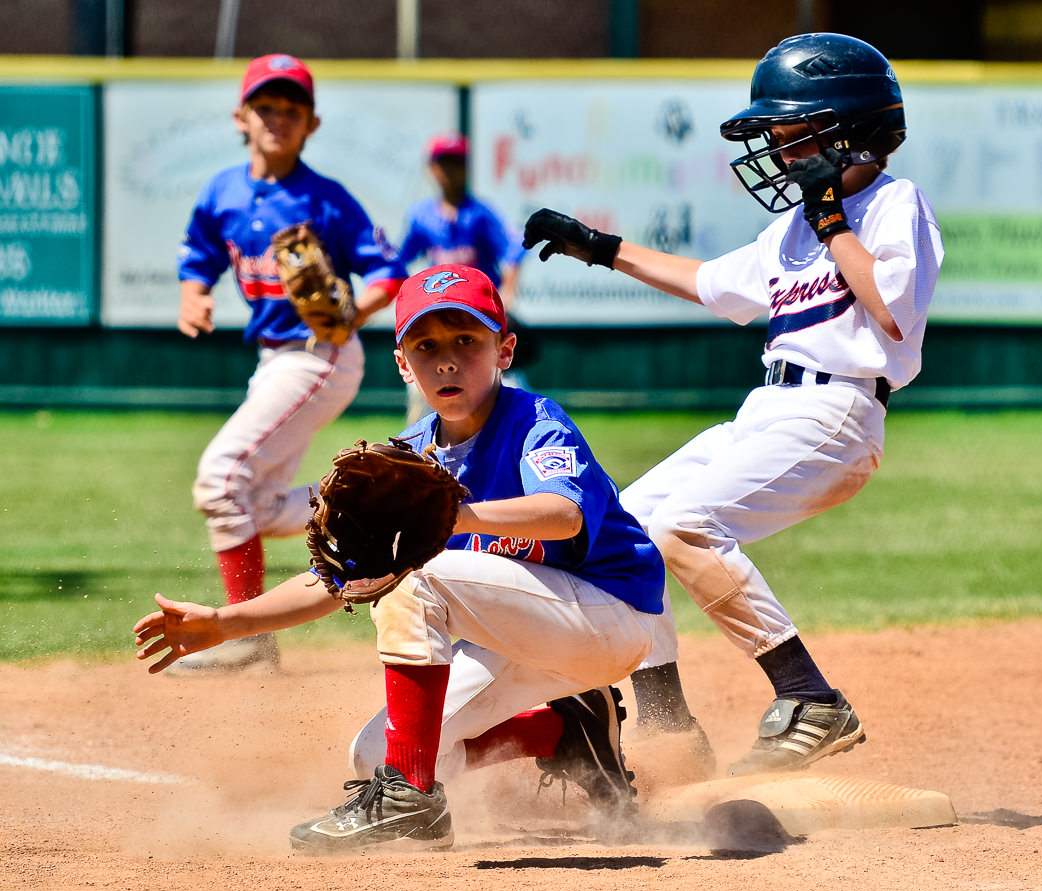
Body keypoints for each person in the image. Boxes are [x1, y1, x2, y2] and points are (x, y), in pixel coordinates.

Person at [134, 264, 666, 854]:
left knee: (420, 577)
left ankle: (411, 803)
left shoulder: (534, 422)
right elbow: (337, 577)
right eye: (426, 344)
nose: (447, 360)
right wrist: (226, 622)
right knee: (371, 756)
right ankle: (566, 729)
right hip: (519, 638)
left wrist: (450, 517)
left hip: (608, 618)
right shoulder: (409, 456)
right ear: (402, 363)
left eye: (467, 340)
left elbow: (563, 514)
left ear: (504, 350)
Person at [523, 33, 944, 776]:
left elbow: (892, 310)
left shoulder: (891, 203)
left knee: (687, 524)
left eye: (790, 132)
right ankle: (666, 722)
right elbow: (712, 283)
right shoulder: (791, 230)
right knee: (621, 531)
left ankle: (810, 697)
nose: (778, 150)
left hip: (839, 415)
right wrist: (601, 247)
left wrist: (832, 221)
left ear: (845, 128)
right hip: (768, 409)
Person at [174, 53, 405, 673]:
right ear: (241, 116)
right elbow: (198, 250)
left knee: (219, 478)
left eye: (291, 109)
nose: (277, 118)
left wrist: (356, 313)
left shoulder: (325, 200)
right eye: (265, 107)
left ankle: (249, 636)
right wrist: (193, 291)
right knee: (252, 501)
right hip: (272, 358)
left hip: (319, 355)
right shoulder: (223, 191)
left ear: (312, 124)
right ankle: (382, 506)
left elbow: (388, 271)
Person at [399, 132, 528, 424]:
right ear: (431, 168)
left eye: (457, 162)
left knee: (506, 388)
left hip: (479, 317)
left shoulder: (480, 214)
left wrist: (508, 295)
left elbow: (513, 251)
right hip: (440, 311)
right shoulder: (421, 215)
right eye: (443, 162)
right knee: (423, 398)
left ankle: (525, 432)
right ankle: (419, 458)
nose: (450, 169)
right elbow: (399, 258)